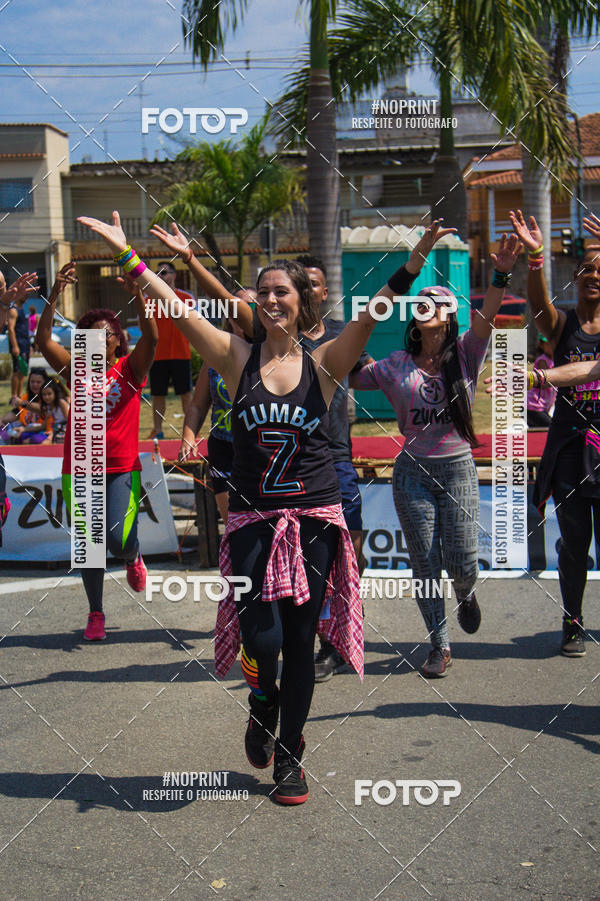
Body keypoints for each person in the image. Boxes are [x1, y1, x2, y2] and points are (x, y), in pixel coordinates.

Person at [77, 209, 409, 805]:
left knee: (302, 643)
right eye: (263, 293)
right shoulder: (235, 356)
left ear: (301, 302)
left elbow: (373, 311)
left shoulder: (326, 362)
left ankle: (290, 754)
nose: (271, 299)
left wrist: (413, 261)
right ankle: (261, 700)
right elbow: (177, 308)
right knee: (263, 640)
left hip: (314, 522)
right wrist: (128, 255)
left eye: (281, 291)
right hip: (253, 521)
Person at [351, 233, 522, 677]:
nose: (429, 307)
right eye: (422, 302)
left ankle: (466, 593)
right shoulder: (395, 364)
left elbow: (487, 317)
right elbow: (353, 374)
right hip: (412, 473)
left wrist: (501, 273)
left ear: (448, 318)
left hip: (458, 468)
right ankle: (439, 644)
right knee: (425, 562)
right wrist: (349, 332)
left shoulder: (466, 353)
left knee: (461, 561)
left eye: (439, 303)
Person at [36, 261, 158, 641]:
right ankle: (96, 613)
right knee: (89, 544)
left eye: (104, 336)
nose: (96, 341)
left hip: (122, 468)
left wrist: (138, 293)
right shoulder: (74, 370)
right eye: (86, 335)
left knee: (118, 540)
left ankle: (133, 555)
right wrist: (54, 295)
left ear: (117, 341)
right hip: (80, 468)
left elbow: (152, 339)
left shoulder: (129, 370)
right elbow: (42, 342)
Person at [510, 208, 600, 657]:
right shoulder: (563, 324)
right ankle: (573, 619)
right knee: (574, 543)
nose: (593, 274)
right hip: (568, 453)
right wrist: (536, 258)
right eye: (586, 267)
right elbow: (539, 308)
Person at [147, 261, 194, 439]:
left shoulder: (186, 298)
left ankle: (190, 431)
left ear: (174, 275)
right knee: (158, 395)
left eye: (165, 273)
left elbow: (196, 324)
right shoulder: (149, 299)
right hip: (158, 355)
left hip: (181, 354)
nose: (162, 276)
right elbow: (145, 326)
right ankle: (158, 430)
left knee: (186, 394)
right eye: (158, 273)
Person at [0, 367, 47, 444]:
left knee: (32, 438)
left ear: (45, 383)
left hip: (40, 431)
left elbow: (41, 408)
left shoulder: (47, 397)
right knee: (2, 429)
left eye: (38, 382)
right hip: (24, 430)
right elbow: (15, 413)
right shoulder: (25, 397)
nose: (35, 384)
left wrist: (23, 403)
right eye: (32, 382)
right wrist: (2, 420)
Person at [527, 335, 556, 428]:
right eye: (548, 344)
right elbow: (544, 381)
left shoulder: (553, 360)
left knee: (538, 432)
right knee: (551, 427)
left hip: (541, 406)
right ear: (542, 345)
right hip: (533, 406)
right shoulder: (543, 360)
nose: (551, 346)